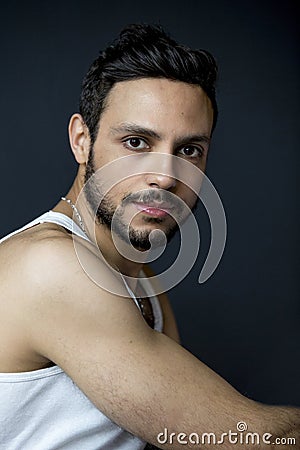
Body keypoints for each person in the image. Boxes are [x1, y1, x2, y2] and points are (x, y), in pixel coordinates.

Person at [0, 24, 298, 450]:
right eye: (137, 142)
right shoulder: (50, 266)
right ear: (82, 141)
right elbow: (250, 439)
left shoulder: (139, 272)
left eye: (189, 150)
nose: (165, 176)